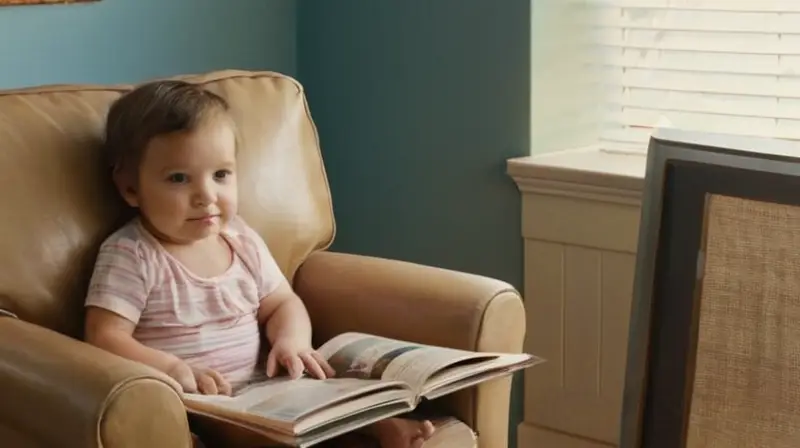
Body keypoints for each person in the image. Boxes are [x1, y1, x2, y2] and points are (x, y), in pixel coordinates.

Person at [82, 80, 436, 448]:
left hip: (262, 390)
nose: (207, 196)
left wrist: (290, 340)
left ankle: (376, 425)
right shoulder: (132, 254)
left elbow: (282, 303)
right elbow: (104, 336)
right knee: (241, 430)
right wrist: (171, 369)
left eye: (221, 175)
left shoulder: (241, 239)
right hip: (196, 403)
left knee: (323, 392)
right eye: (179, 179)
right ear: (130, 188)